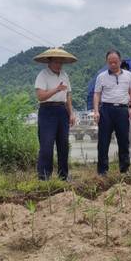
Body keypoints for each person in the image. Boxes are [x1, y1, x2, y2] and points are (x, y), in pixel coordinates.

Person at [33, 47, 77, 180]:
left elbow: (68, 95)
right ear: (49, 62)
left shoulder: (64, 75)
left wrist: (71, 113)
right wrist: (56, 89)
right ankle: (44, 176)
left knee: (63, 144)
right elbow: (40, 96)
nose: (59, 65)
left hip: (62, 110)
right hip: (47, 110)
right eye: (56, 62)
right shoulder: (43, 75)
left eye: (60, 62)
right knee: (46, 144)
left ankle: (63, 175)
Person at [93, 50, 131, 175]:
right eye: (110, 62)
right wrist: (96, 111)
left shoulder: (128, 75)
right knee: (103, 141)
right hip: (106, 110)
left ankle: (125, 169)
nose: (113, 65)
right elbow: (97, 94)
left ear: (120, 61)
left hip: (122, 110)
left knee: (123, 140)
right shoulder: (101, 76)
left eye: (115, 62)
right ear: (107, 62)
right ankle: (102, 171)